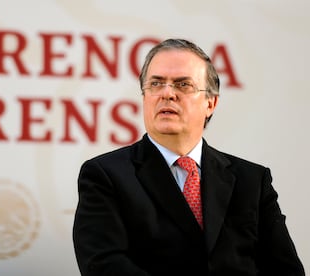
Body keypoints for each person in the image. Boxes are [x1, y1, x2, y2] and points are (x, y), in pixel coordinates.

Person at [72, 38, 305, 276]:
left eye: (183, 84)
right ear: (144, 96)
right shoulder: (105, 175)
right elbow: (103, 266)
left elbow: (285, 269)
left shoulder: (253, 181)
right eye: (156, 83)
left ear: (210, 103)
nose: (167, 93)